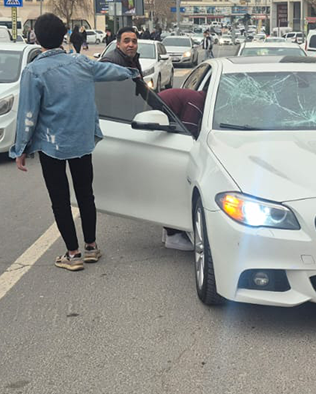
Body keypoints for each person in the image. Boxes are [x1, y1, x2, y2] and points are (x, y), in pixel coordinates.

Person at [11, 14, 139, 271]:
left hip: (51, 145)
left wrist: (21, 148)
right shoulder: (81, 63)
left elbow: (28, 113)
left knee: (60, 200)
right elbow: (111, 71)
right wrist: (132, 72)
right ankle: (91, 247)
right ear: (64, 37)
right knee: (85, 195)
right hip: (82, 141)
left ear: (37, 38)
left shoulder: (34, 71)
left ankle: (73, 253)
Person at [156, 87, 207, 251]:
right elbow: (188, 132)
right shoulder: (197, 103)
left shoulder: (195, 97)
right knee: (176, 182)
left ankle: (169, 231)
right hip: (153, 125)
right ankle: (173, 235)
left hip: (154, 125)